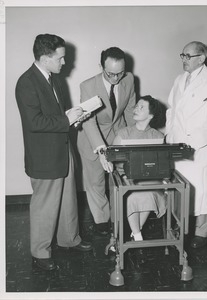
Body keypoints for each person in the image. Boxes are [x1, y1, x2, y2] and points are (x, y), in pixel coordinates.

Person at [15, 33, 93, 271]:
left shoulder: (53, 78)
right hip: (45, 156)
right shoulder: (26, 82)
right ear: (45, 57)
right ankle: (40, 253)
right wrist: (65, 120)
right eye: (60, 58)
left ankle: (69, 239)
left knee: (69, 200)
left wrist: (75, 118)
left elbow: (58, 116)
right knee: (45, 206)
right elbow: (34, 122)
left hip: (63, 149)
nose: (64, 63)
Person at [165, 41, 207, 248]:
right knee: (181, 187)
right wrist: (169, 135)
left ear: (201, 59)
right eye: (182, 55)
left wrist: (194, 142)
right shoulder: (179, 80)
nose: (183, 60)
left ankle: (202, 231)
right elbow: (171, 110)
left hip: (199, 146)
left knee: (202, 189)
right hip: (177, 143)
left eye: (188, 56)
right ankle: (179, 225)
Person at [77, 47, 136, 235]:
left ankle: (117, 216)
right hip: (92, 139)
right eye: (110, 74)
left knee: (118, 180)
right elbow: (88, 121)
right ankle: (101, 220)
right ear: (101, 66)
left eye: (120, 73)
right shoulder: (87, 86)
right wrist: (101, 150)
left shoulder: (129, 79)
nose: (116, 78)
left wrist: (134, 139)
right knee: (96, 183)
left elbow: (130, 110)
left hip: (118, 136)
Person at [112, 96, 167, 241]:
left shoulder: (158, 136)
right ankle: (137, 236)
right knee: (133, 196)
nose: (136, 109)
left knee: (148, 193)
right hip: (127, 179)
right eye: (136, 106)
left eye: (141, 107)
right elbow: (112, 158)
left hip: (151, 180)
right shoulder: (124, 133)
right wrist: (124, 176)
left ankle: (136, 233)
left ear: (151, 115)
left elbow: (162, 163)